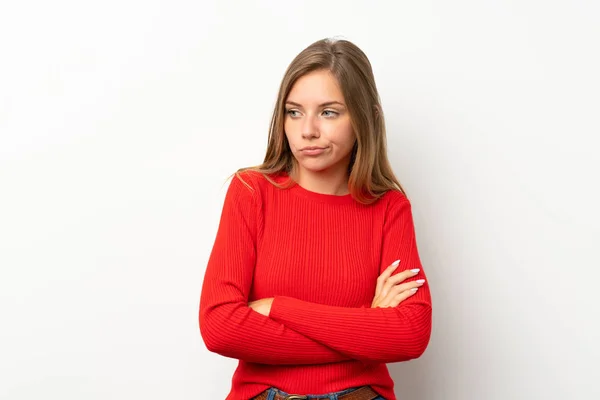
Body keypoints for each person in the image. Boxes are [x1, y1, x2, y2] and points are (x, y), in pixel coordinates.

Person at [199, 37, 432, 400]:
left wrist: (279, 309)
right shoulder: (251, 192)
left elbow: (410, 334)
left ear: (365, 117)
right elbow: (219, 327)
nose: (307, 130)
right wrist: (365, 330)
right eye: (294, 112)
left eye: (329, 112)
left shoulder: (389, 207)